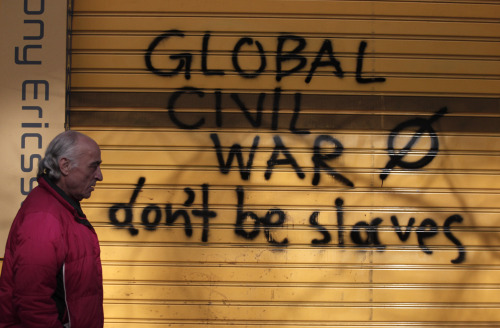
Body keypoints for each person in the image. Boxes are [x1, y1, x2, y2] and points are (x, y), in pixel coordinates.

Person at [0, 130, 104, 328]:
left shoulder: (64, 209)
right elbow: (33, 303)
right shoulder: (44, 218)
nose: (99, 176)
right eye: (93, 166)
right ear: (65, 166)